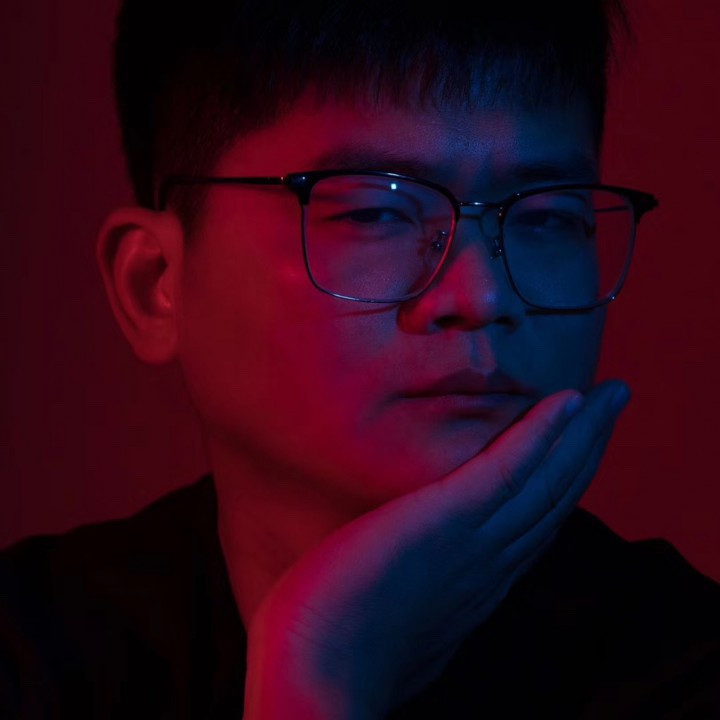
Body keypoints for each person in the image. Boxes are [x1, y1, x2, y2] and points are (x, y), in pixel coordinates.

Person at [1, 0, 719, 717]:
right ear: (155, 284)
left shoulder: (685, 663)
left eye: (550, 215)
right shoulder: (33, 651)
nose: (482, 295)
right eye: (375, 211)